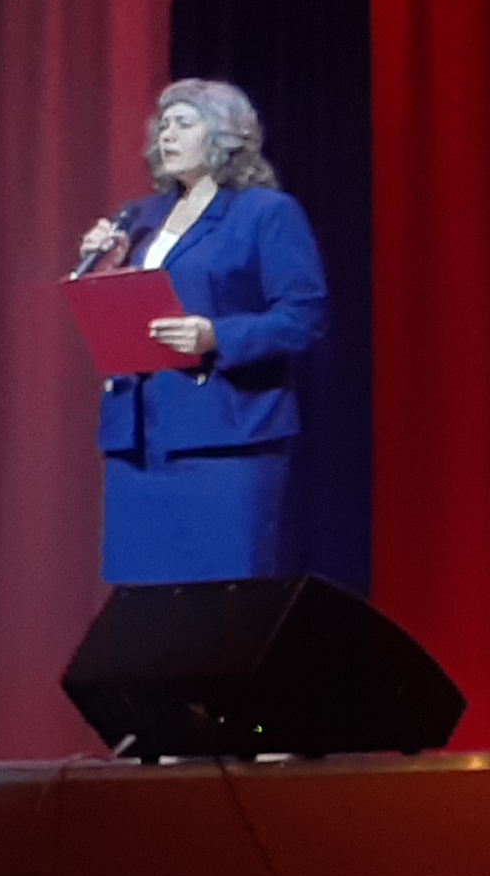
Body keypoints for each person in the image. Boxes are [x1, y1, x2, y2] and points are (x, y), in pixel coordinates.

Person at [75, 78, 327, 585]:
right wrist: (105, 271)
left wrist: (216, 337)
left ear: (224, 136)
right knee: (143, 605)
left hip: (225, 442)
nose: (166, 134)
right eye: (163, 125)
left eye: (184, 123)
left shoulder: (265, 213)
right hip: (140, 443)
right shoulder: (139, 217)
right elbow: (126, 313)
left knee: (218, 603)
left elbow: (304, 317)